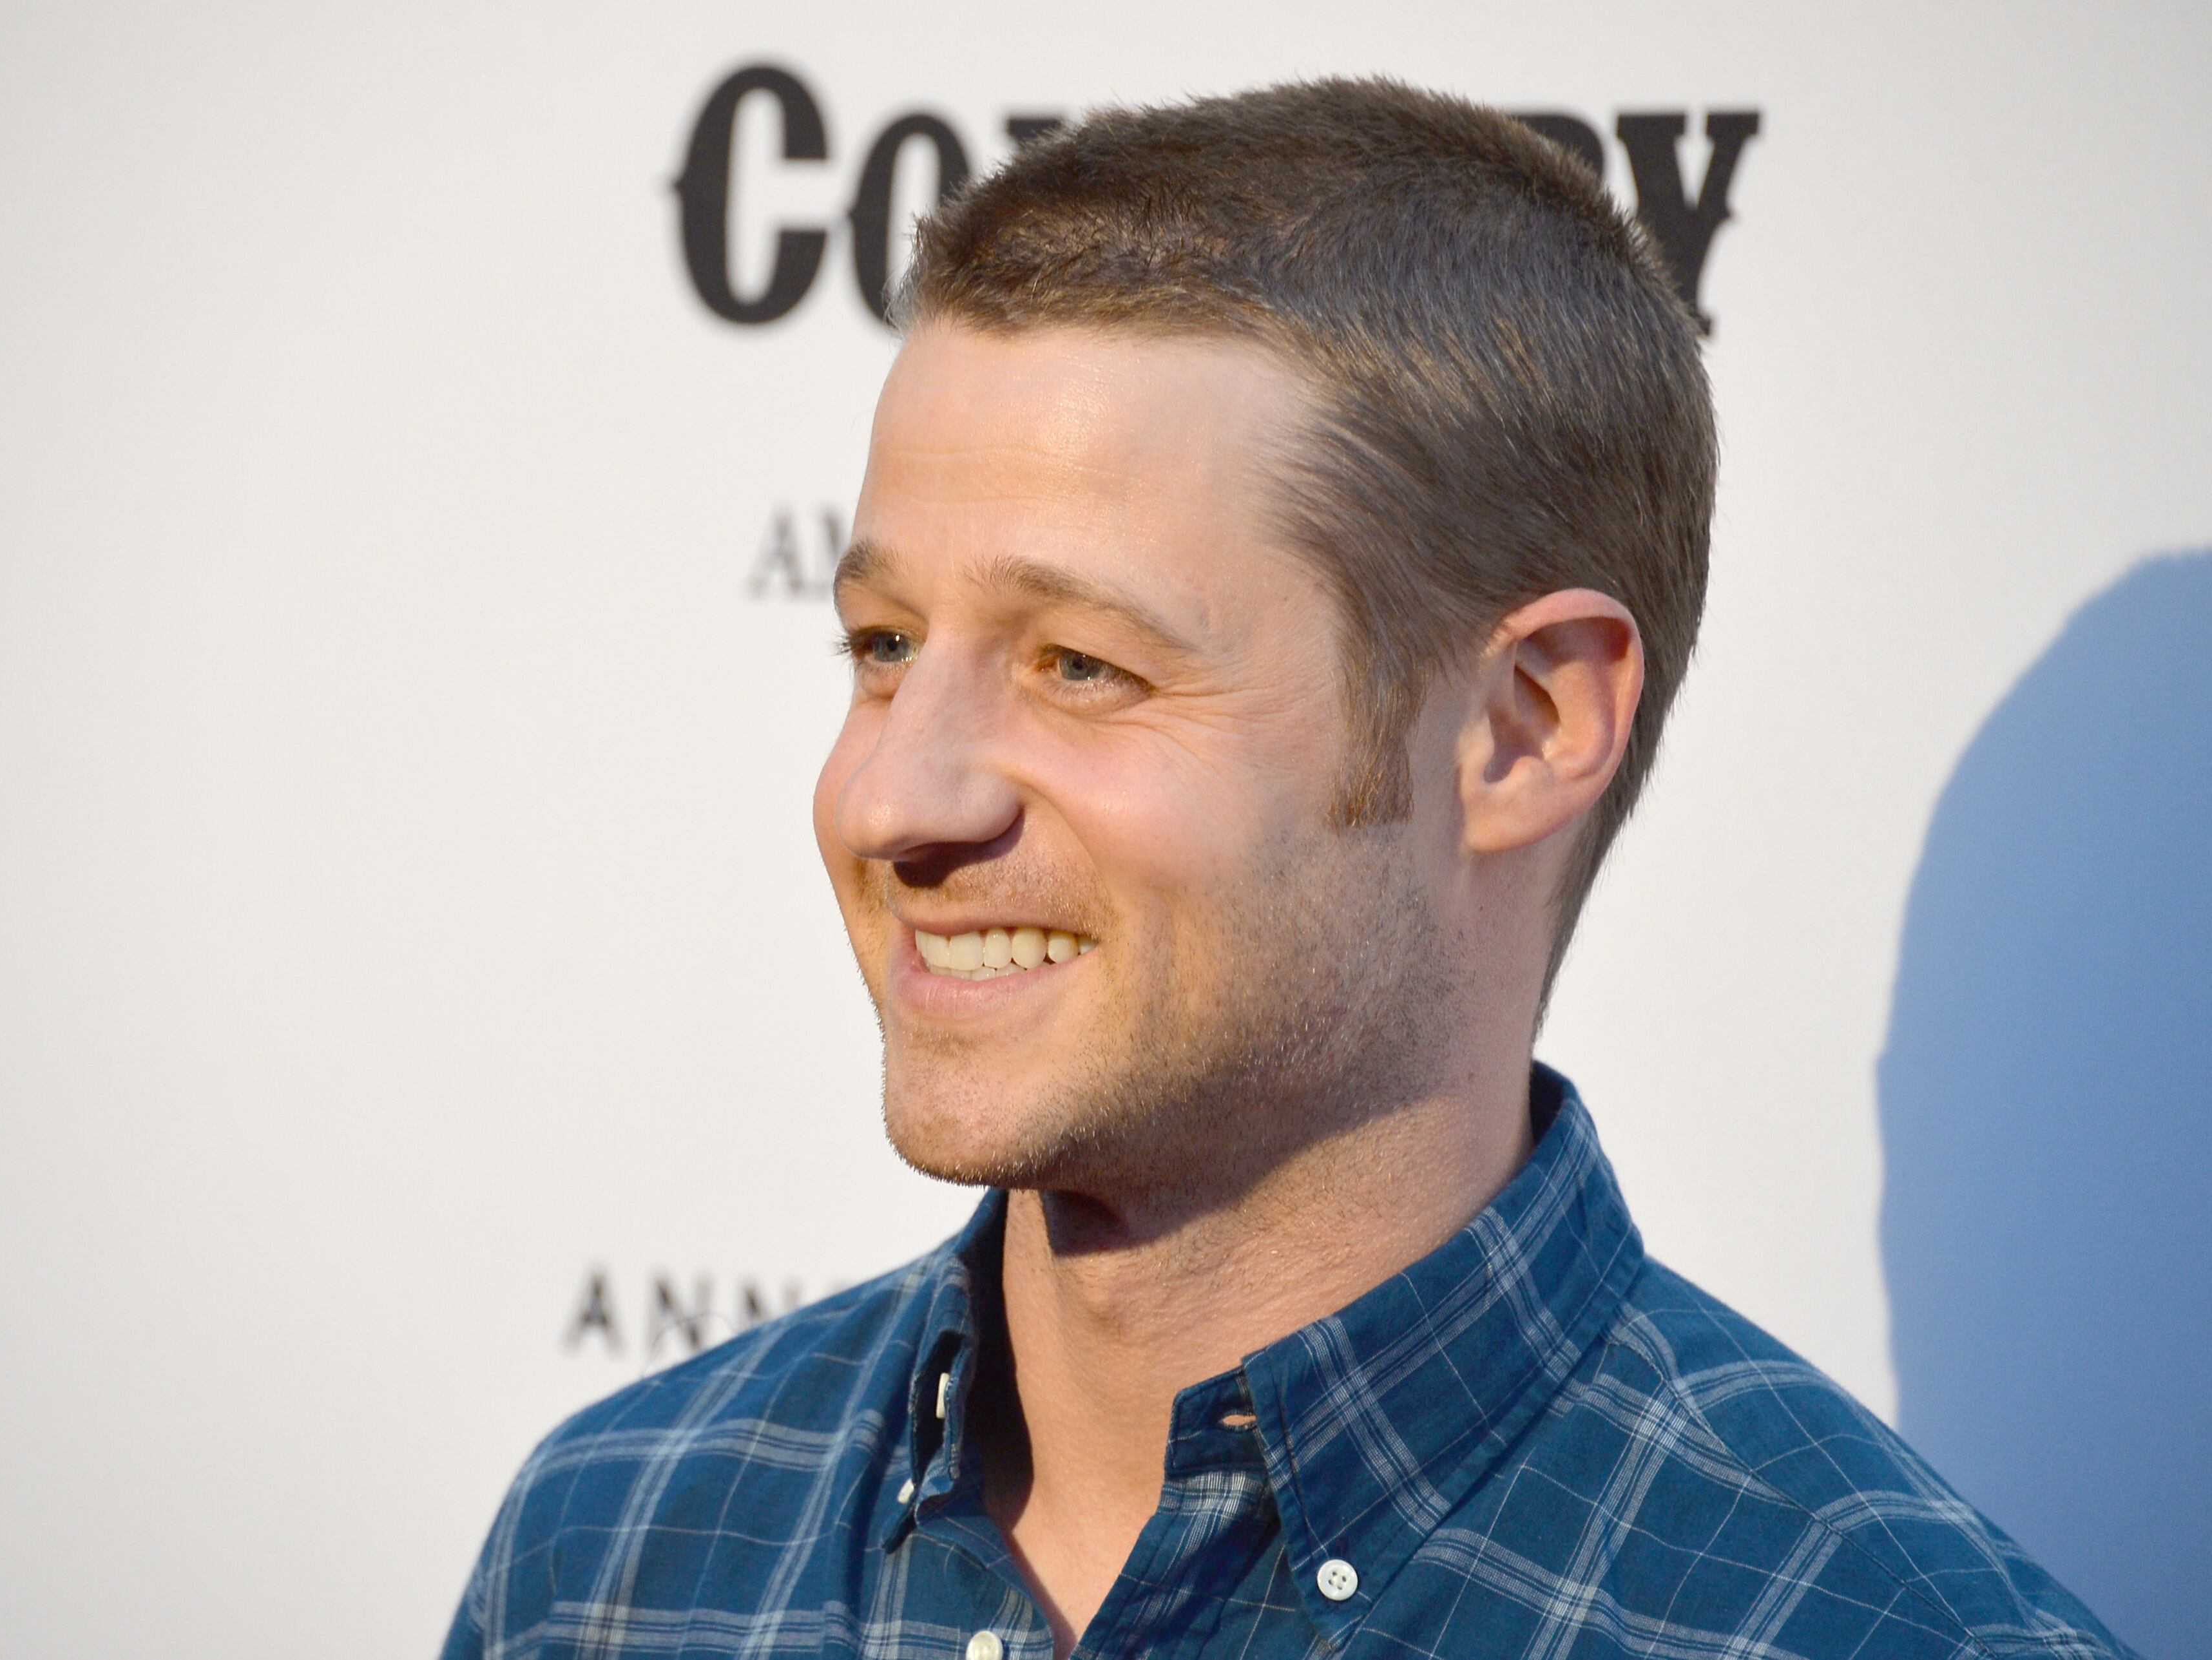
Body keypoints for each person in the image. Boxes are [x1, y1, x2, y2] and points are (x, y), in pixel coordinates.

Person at [442, 79, 2131, 1660]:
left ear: (1525, 728)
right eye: (884, 645)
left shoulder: (1872, 1628)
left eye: (1081, 665)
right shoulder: (618, 1555)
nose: (892, 798)